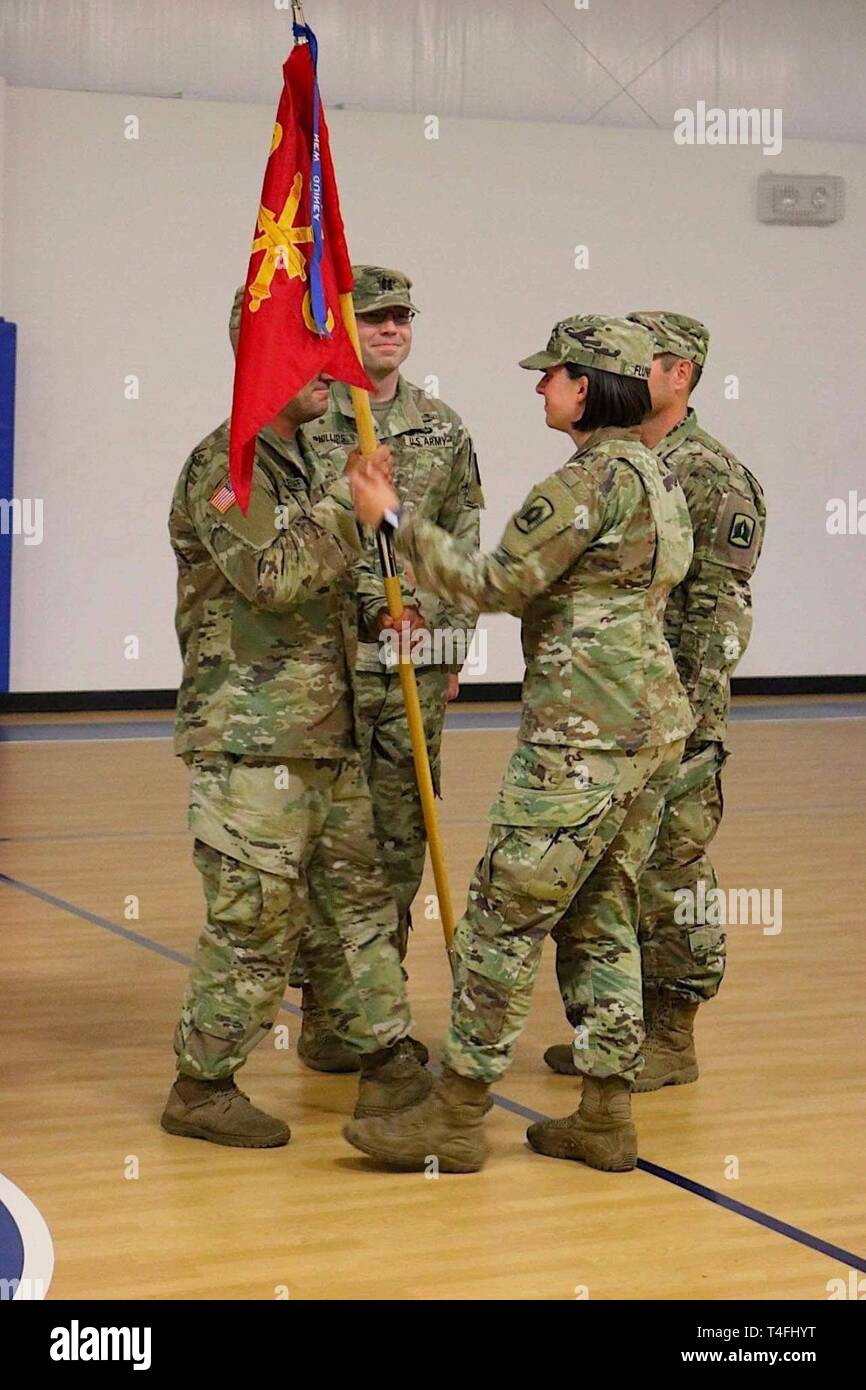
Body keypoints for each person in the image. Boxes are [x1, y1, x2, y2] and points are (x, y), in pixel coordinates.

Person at [342, 315, 694, 1173]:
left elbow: (496, 581)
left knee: (502, 919)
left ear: (589, 387)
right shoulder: (655, 471)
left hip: (582, 737)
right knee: (603, 916)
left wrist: (391, 520)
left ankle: (456, 1117)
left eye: (553, 375)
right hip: (649, 727)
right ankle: (606, 1115)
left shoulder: (587, 483)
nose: (541, 387)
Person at [160, 288, 430, 1149]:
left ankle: (388, 1065)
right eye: (311, 353)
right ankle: (202, 1085)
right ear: (262, 361)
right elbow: (271, 578)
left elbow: (325, 580)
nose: (335, 370)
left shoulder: (306, 461)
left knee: (359, 906)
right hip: (253, 738)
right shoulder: (229, 466)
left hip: (327, 729)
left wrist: (388, 608)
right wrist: (346, 513)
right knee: (256, 925)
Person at [544, 312, 766, 1091]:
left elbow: (718, 614)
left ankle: (673, 1031)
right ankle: (619, 1033)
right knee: (608, 874)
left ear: (681, 376)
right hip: (612, 718)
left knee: (672, 872)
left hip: (673, 720)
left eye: (651, 364)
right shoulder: (622, 462)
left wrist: (692, 723)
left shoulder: (711, 475)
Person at [291, 265, 484, 1073]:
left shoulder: (442, 428)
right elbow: (307, 540)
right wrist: (379, 608)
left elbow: (465, 542)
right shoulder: (306, 420)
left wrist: (445, 646)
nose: (391, 330)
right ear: (345, 327)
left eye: (401, 317)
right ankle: (332, 1018)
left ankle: (380, 1010)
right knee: (333, 850)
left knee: (402, 846)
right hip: (331, 668)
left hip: (413, 667)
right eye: (374, 319)